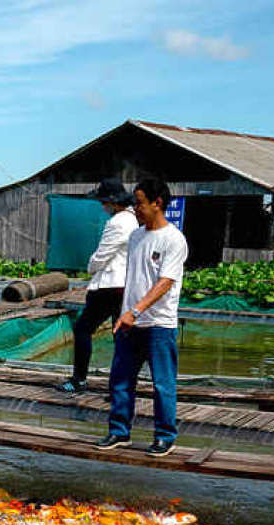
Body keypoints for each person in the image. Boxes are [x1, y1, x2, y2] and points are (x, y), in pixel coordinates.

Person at [95, 178, 188, 457]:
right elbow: (132, 278)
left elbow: (164, 283)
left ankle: (164, 436)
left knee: (162, 383)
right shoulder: (136, 236)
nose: (135, 208)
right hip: (129, 322)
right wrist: (124, 312)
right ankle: (119, 431)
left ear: (157, 204)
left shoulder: (174, 239)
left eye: (139, 203)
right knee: (120, 380)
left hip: (158, 323)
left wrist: (135, 312)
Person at [55, 179, 137, 393]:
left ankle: (79, 379)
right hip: (125, 285)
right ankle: (120, 386)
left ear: (112, 201)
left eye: (103, 201)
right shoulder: (134, 219)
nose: (102, 206)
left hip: (109, 286)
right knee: (119, 335)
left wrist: (90, 267)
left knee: (82, 329)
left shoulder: (118, 222)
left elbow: (101, 257)